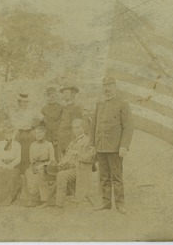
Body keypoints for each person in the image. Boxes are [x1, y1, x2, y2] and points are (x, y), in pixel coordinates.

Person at [89, 77, 133, 214]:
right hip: (100, 147)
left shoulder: (122, 103)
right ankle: (106, 202)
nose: (107, 88)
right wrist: (92, 145)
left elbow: (128, 127)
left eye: (109, 85)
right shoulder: (99, 104)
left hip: (115, 148)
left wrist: (124, 146)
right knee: (104, 177)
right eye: (104, 86)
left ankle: (120, 204)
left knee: (117, 177)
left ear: (115, 87)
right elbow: (93, 126)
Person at [0, 120, 22, 206]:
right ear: (4, 133)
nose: (8, 135)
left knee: (9, 177)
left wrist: (10, 165)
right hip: (1, 166)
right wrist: (3, 165)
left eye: (10, 133)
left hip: (13, 167)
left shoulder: (17, 144)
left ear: (13, 133)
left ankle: (6, 200)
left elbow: (18, 158)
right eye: (6, 133)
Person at [21, 119, 55, 206]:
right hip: (35, 165)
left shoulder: (49, 144)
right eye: (37, 133)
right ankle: (31, 199)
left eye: (41, 133)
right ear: (34, 134)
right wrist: (34, 166)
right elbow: (31, 159)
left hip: (46, 166)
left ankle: (42, 199)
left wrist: (42, 165)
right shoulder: (33, 145)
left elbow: (52, 160)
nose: (39, 135)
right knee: (28, 172)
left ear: (44, 133)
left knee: (40, 173)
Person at [11, 92, 40, 174]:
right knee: (20, 153)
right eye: (23, 102)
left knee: (29, 153)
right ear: (19, 102)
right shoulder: (16, 112)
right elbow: (15, 124)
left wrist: (35, 124)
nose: (24, 104)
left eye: (26, 102)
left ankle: (29, 172)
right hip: (20, 134)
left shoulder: (31, 111)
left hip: (29, 134)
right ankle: (20, 173)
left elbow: (40, 118)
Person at [57, 85, 83, 162]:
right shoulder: (63, 107)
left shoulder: (76, 108)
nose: (65, 95)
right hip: (62, 139)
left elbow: (76, 127)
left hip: (70, 139)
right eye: (64, 93)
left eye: (67, 93)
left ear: (73, 94)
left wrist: (73, 142)